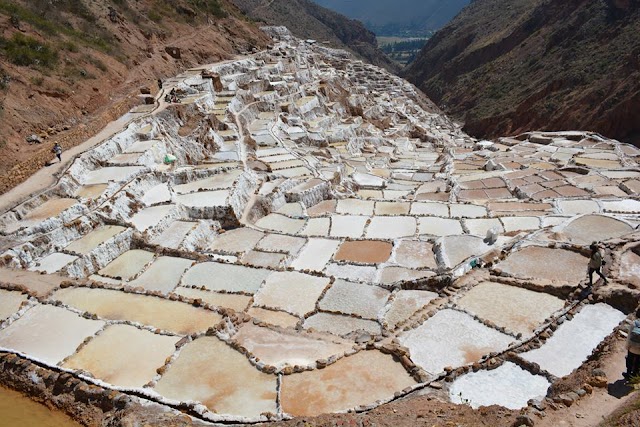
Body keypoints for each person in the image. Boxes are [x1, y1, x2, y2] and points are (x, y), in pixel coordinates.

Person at [625, 307, 640, 380]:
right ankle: (634, 376)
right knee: (637, 363)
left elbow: (629, 336)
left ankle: (628, 374)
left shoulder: (634, 323)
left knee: (629, 361)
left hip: (632, 348)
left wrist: (627, 346)